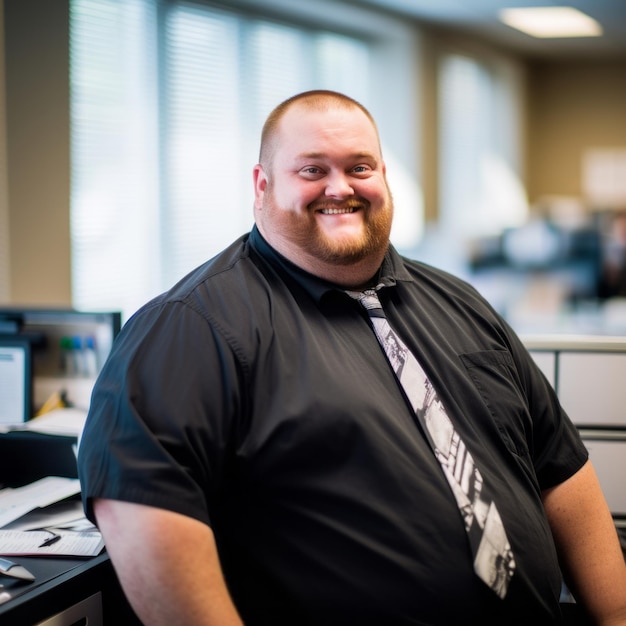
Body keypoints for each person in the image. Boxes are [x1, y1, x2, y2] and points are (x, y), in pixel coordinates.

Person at [77, 90, 626, 625]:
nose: (340, 187)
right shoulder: (193, 327)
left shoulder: (460, 302)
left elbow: (560, 469)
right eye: (312, 170)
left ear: (384, 177)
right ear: (262, 185)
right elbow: (144, 519)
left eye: (360, 167)